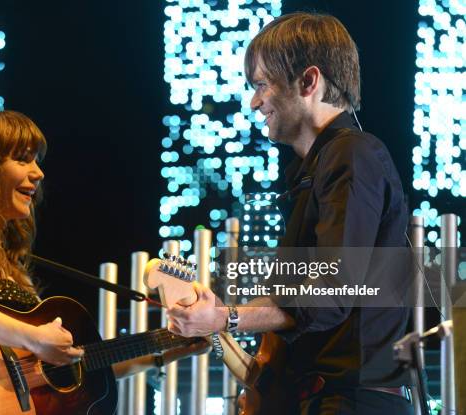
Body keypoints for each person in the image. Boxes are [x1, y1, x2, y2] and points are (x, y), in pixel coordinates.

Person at [167, 12, 413, 415]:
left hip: (351, 403)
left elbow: (331, 292)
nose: (254, 101)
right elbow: (301, 297)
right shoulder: (315, 169)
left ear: (308, 81)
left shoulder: (352, 155)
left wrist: (226, 318)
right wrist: (220, 317)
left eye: (261, 85)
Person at [0, 109, 206, 406]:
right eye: (22, 159)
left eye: (35, 160)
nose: (38, 173)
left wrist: (168, 350)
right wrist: (33, 337)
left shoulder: (2, 258)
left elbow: (76, 370)